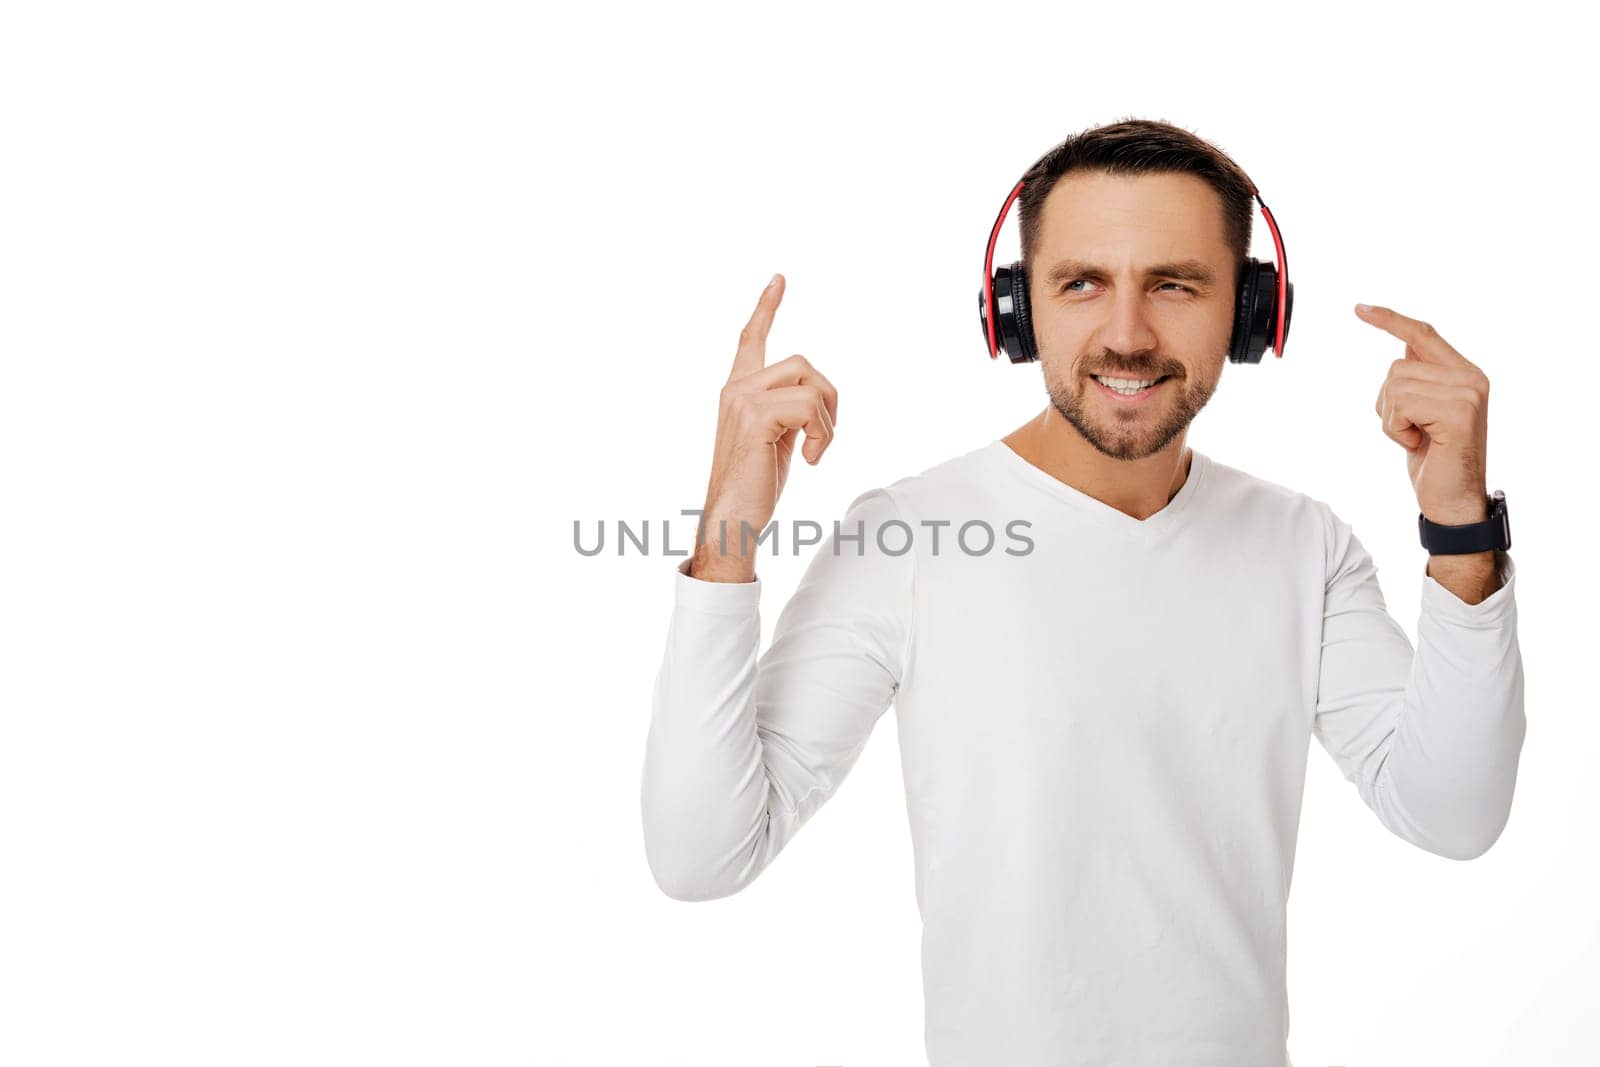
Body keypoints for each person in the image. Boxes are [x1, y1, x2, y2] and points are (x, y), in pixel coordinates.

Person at [638, 117, 1524, 1067]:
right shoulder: (905, 536)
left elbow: (1452, 810)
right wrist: (729, 525)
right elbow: (702, 854)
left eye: (1176, 284)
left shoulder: (1305, 546)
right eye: (1082, 283)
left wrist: (1460, 528)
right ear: (1015, 312)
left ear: (1253, 313)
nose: (1128, 336)